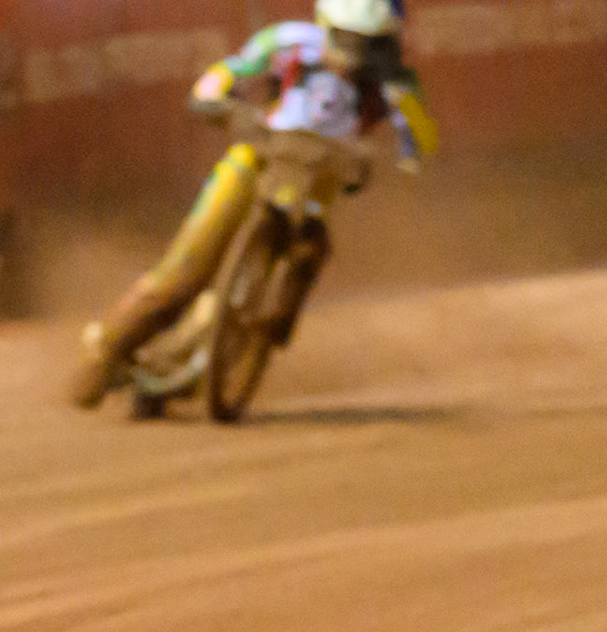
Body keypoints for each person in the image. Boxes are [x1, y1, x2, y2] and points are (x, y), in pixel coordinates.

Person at [69, 0, 439, 408]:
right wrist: (212, 95)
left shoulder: (396, 83)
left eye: (373, 45)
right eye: (351, 41)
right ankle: (106, 350)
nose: (358, 57)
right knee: (183, 275)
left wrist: (403, 150)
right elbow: (232, 69)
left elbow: (421, 138)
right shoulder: (288, 42)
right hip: (253, 163)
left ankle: (265, 333)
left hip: (319, 186)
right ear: (327, 27)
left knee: (311, 251)